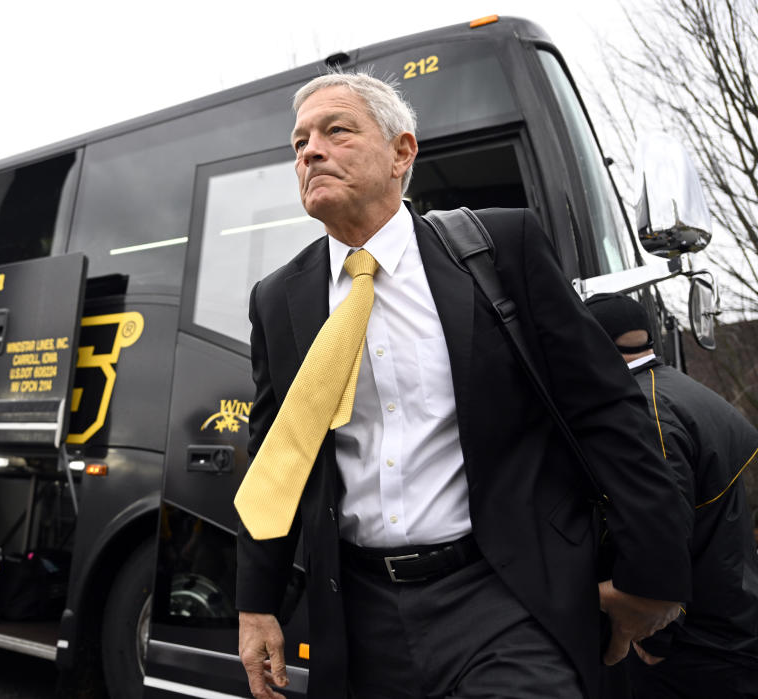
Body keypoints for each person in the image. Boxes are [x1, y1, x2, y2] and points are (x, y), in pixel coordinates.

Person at [234, 71, 693, 699]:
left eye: (336, 131)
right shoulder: (278, 299)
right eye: (299, 142)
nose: (310, 151)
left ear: (402, 152)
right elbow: (277, 459)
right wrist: (257, 603)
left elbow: (607, 410)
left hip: (505, 597)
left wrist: (654, 575)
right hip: (361, 615)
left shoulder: (500, 248)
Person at [585, 291, 758, 698]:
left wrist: (655, 638)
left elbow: (663, 532)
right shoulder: (683, 390)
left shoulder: (641, 411)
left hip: (693, 647)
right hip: (733, 620)